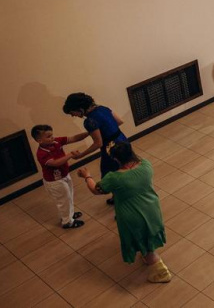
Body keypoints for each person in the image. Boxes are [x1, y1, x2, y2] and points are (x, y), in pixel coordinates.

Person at [77, 142, 171, 283]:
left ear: (116, 159)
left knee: (141, 240)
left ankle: (161, 272)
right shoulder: (145, 165)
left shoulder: (114, 178)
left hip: (133, 214)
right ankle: (148, 255)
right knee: (148, 234)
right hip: (152, 208)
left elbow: (96, 190)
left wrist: (87, 176)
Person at [63, 93, 128, 205]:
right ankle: (123, 193)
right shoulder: (102, 108)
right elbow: (119, 121)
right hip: (123, 140)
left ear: (79, 109)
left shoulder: (89, 121)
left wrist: (81, 155)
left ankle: (119, 197)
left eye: (72, 113)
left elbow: (98, 143)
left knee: (110, 173)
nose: (73, 116)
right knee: (124, 167)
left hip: (110, 148)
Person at [31, 125, 88, 229]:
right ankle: (67, 222)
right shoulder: (41, 153)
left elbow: (73, 138)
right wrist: (70, 155)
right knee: (63, 200)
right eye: (48, 136)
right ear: (39, 140)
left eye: (52, 135)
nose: (52, 137)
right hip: (55, 182)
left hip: (64, 175)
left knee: (69, 196)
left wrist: (89, 132)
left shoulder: (56, 141)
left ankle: (69, 214)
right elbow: (55, 163)